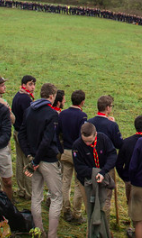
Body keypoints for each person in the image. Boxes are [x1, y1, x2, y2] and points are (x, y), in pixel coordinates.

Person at [22, 83, 64, 237]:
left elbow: (22, 134)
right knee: (56, 196)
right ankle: (52, 235)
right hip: (46, 160)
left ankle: (38, 232)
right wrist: (36, 160)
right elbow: (47, 141)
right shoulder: (51, 114)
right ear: (52, 96)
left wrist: (30, 156)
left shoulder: (29, 110)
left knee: (36, 195)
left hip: (33, 157)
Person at [75, 122, 120, 234]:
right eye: (85, 141)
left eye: (90, 141)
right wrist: (94, 173)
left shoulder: (103, 139)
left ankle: (105, 231)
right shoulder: (77, 145)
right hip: (86, 181)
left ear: (95, 134)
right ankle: (91, 234)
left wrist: (103, 172)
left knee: (104, 206)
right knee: (91, 209)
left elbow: (112, 155)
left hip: (104, 176)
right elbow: (79, 167)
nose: (88, 143)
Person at [58, 90, 90, 223]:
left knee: (65, 181)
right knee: (79, 183)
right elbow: (82, 137)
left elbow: (58, 131)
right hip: (77, 153)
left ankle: (65, 209)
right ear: (82, 102)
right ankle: (76, 213)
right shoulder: (82, 116)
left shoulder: (62, 114)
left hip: (64, 151)